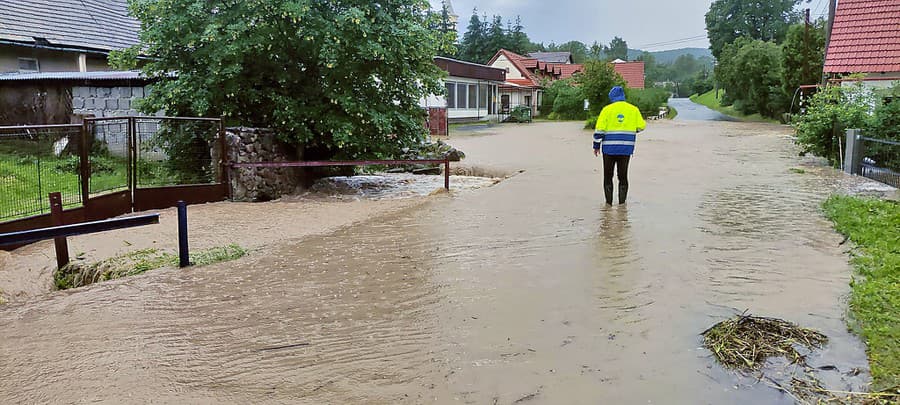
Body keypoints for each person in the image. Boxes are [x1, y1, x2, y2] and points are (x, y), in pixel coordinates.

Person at [592, 86, 646, 205]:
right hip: (626, 148)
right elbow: (641, 126)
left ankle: (608, 205)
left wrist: (596, 146)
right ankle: (622, 206)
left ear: (611, 97)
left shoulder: (607, 110)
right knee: (623, 176)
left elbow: (599, 130)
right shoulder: (634, 110)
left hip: (609, 149)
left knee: (608, 176)